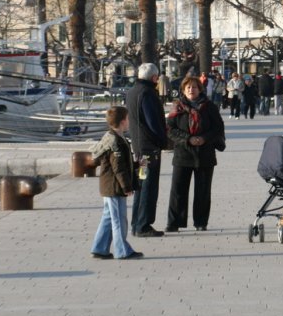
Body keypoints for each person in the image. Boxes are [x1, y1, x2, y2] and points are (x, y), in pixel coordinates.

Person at [165, 76, 226, 232]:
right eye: (188, 88)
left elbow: (218, 128)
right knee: (178, 190)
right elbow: (170, 129)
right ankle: (174, 222)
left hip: (205, 154)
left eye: (194, 87)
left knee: (203, 191)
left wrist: (203, 138)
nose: (191, 90)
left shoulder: (210, 107)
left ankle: (201, 222)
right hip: (183, 153)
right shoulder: (177, 107)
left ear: (200, 89)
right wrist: (188, 139)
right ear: (184, 90)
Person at [90, 106, 143, 260]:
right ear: (122, 122)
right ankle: (123, 251)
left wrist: (137, 164)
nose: (129, 122)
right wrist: (126, 187)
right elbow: (118, 167)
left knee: (108, 217)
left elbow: (123, 164)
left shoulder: (114, 137)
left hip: (109, 185)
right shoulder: (116, 142)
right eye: (127, 119)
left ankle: (99, 248)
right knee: (119, 219)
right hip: (114, 186)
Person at [125, 63, 168, 237]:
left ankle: (137, 223)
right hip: (149, 149)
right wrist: (162, 141)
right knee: (148, 187)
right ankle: (143, 225)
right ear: (154, 78)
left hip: (138, 146)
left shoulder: (132, 92)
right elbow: (153, 122)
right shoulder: (148, 94)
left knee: (141, 186)